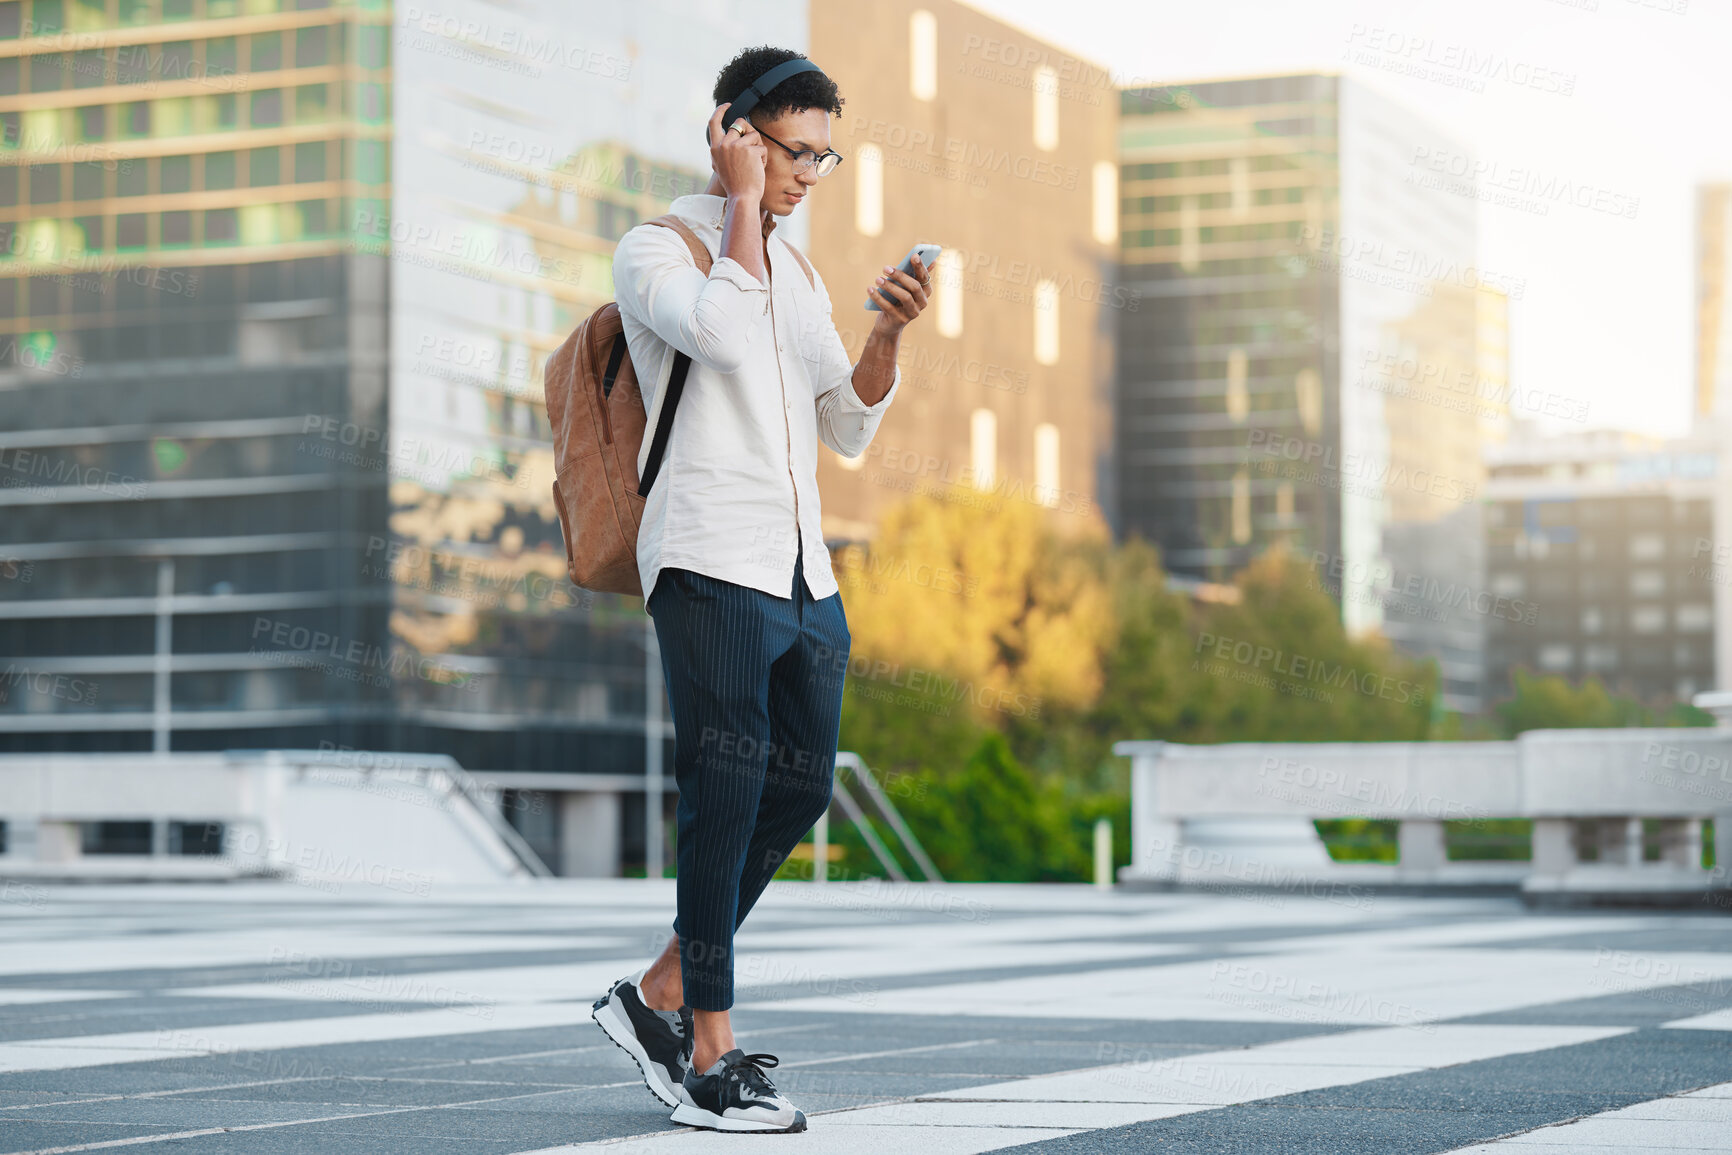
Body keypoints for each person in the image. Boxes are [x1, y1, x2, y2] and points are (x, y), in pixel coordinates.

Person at [590, 46, 930, 1134]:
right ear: (735, 131)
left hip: (800, 571)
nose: (805, 178)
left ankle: (655, 992)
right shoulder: (656, 249)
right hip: (706, 560)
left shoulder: (800, 271)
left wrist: (886, 332)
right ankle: (709, 1057)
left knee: (796, 785)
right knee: (724, 793)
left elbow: (846, 417)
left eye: (823, 160)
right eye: (792, 153)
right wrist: (740, 204)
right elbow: (720, 334)